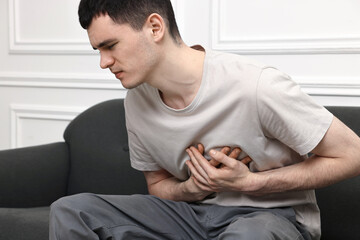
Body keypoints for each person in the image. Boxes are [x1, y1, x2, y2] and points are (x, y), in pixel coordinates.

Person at [49, 0, 360, 239]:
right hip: (190, 216)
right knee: (72, 211)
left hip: (270, 219)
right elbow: (157, 185)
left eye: (110, 46)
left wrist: (251, 183)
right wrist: (193, 188)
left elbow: (352, 155)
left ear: (155, 27)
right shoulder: (137, 100)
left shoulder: (255, 85)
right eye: (98, 51)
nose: (104, 63)